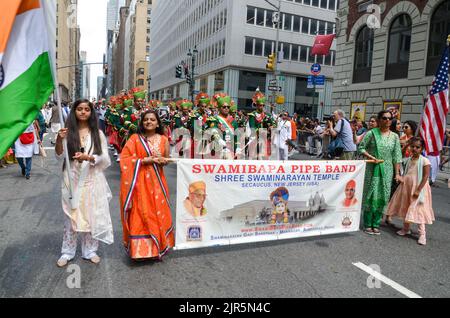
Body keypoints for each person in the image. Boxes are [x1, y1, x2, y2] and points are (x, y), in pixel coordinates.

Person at [55, 99, 114, 267]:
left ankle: (89, 250)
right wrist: (59, 139)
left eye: (86, 109)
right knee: (71, 217)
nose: (82, 112)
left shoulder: (98, 134)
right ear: (74, 112)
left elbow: (105, 159)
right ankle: (67, 251)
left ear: (91, 112)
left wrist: (88, 157)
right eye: (79, 109)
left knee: (90, 215)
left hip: (91, 180)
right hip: (71, 179)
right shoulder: (67, 132)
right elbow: (59, 156)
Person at [120, 110, 174, 260]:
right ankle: (141, 251)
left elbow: (166, 160)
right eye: (146, 120)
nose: (149, 122)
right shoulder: (135, 138)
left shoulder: (163, 139)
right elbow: (124, 159)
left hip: (158, 182)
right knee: (141, 211)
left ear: (157, 123)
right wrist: (145, 160)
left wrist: (164, 160)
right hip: (139, 181)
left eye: (152, 119)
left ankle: (157, 248)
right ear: (142, 122)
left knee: (158, 211)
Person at [358, 110, 402, 235]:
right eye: (384, 118)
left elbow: (397, 156)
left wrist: (397, 173)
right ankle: (367, 223)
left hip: (387, 170)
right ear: (379, 120)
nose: (387, 120)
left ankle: (376, 223)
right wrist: (370, 157)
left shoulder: (394, 136)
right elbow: (361, 147)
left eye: (389, 118)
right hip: (372, 168)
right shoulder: (371, 133)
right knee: (371, 194)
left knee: (383, 195)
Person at [386, 137, 435, 245]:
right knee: (407, 206)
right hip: (407, 186)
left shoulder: (425, 160)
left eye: (417, 147)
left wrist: (418, 190)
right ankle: (406, 228)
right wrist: (400, 177)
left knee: (419, 210)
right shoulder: (409, 159)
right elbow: (401, 161)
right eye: (412, 146)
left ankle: (422, 234)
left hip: (419, 188)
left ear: (422, 148)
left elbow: (426, 176)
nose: (414, 149)